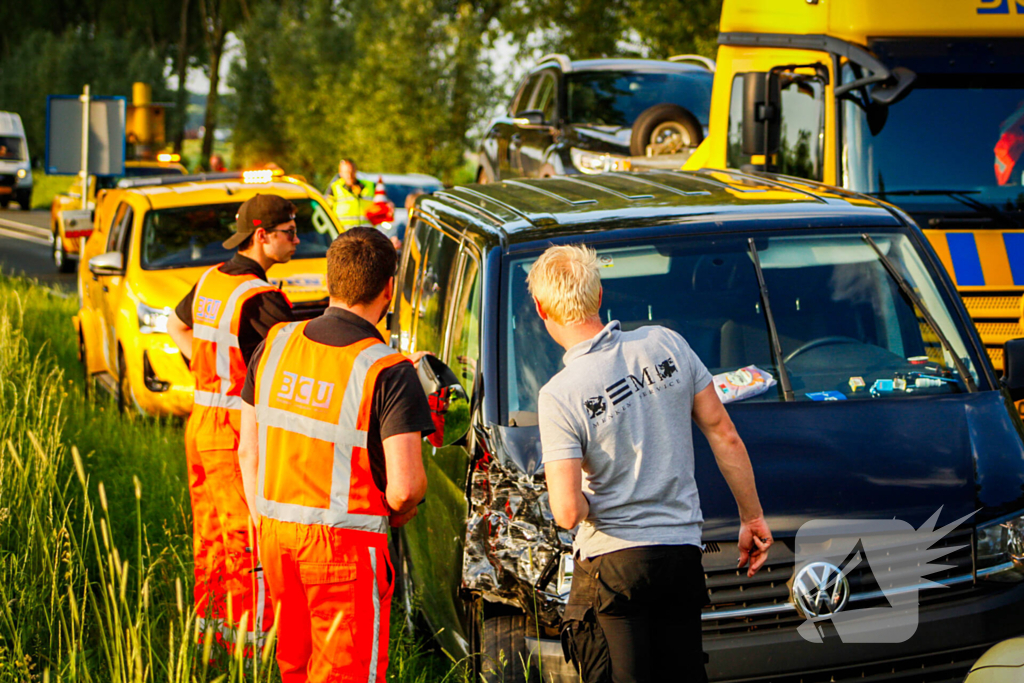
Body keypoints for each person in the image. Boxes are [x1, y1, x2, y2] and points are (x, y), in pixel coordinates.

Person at [529, 244, 773, 683]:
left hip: (615, 568)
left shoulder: (559, 394)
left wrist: (589, 501)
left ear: (541, 308)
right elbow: (725, 434)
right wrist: (752, 516)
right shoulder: (666, 344)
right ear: (599, 295)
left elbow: (566, 513)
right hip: (680, 555)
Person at [237, 227, 433, 682]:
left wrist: (263, 520)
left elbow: (249, 450)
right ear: (389, 288)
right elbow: (405, 488)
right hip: (345, 549)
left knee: (296, 668)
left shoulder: (277, 343)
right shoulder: (387, 371)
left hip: (276, 537)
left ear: (331, 281)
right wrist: (398, 511)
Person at [166, 194, 300, 643]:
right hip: (235, 433)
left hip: (201, 420)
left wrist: (209, 369)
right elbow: (291, 364)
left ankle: (210, 635)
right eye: (289, 233)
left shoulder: (211, 280)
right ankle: (253, 641)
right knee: (249, 538)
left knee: (210, 535)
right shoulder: (261, 300)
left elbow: (177, 326)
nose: (296, 241)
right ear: (262, 236)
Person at [329, 158, 374, 229]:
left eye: (351, 172)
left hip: (365, 232)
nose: (349, 175)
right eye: (346, 172)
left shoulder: (369, 186)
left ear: (356, 170)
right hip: (343, 232)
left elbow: (381, 203)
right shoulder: (334, 187)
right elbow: (327, 207)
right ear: (340, 173)